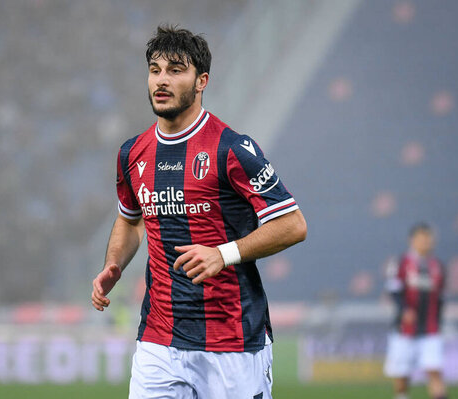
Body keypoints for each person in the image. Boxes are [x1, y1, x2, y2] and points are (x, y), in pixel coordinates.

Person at [91, 24, 307, 399]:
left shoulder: (232, 149)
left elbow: (293, 224)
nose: (162, 80)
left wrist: (224, 254)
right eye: (155, 70)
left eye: (176, 70)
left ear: (201, 80)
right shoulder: (132, 153)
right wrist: (114, 265)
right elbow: (130, 220)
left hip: (232, 341)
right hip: (159, 339)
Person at [384, 223, 448, 399]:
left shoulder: (438, 267)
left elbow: (440, 299)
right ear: (412, 240)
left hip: (430, 330)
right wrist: (405, 310)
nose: (425, 242)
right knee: (402, 376)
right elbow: (394, 291)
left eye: (428, 238)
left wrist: (440, 322)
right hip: (404, 330)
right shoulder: (401, 263)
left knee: (435, 371)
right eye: (421, 238)